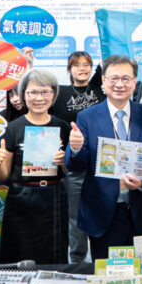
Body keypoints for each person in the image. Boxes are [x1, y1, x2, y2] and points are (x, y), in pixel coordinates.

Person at [66, 55, 142, 260]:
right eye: (113, 78)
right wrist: (75, 148)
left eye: (126, 79)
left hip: (141, 213)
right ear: (103, 80)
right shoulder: (87, 117)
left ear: (134, 82)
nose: (119, 84)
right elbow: (76, 165)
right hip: (103, 214)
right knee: (106, 274)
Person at [0, 69, 71, 265]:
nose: (39, 98)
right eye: (33, 92)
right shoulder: (12, 128)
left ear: (53, 94)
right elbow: (2, 175)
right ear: (23, 94)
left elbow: (71, 170)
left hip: (54, 198)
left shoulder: (63, 127)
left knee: (54, 257)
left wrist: (64, 162)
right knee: (18, 255)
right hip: (21, 199)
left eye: (45, 92)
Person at [52, 51, 106, 263]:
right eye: (77, 65)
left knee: (102, 211)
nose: (82, 68)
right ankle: (76, 260)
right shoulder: (61, 92)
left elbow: (107, 56)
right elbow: (37, 93)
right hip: (73, 163)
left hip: (101, 161)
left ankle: (102, 258)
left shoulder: (99, 88)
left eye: (86, 64)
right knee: (75, 216)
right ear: (69, 69)